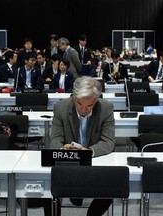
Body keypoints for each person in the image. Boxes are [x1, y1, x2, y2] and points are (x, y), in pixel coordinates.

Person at [50, 76, 115, 216]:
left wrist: (89, 151)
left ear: (96, 100)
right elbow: (54, 138)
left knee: (112, 184)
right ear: (74, 97)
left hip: (95, 162)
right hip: (68, 163)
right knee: (47, 185)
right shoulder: (61, 108)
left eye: (89, 105)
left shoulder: (106, 108)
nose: (84, 109)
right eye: (80, 104)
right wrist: (62, 150)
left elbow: (108, 141)